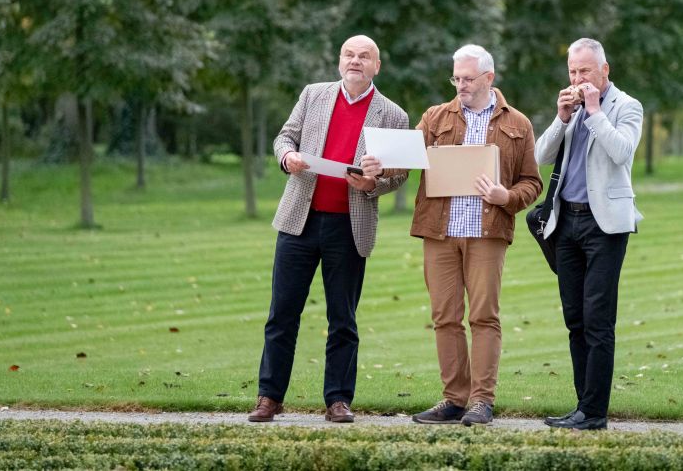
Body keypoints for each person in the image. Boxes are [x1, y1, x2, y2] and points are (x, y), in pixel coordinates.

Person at [248, 35, 409, 424]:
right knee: (282, 313)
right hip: (298, 221)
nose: (355, 61)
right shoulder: (313, 95)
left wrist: (374, 184)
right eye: (349, 55)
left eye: (364, 56)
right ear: (340, 61)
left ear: (377, 66)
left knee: (343, 318)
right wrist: (287, 156)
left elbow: (400, 174)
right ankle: (269, 397)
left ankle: (338, 399)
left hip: (350, 225)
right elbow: (285, 136)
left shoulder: (394, 115)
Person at [409, 44, 542, 426]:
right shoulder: (436, 117)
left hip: (487, 232)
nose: (461, 85)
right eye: (456, 78)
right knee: (444, 317)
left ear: (489, 78)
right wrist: (379, 165)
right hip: (441, 232)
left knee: (484, 316)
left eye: (468, 79)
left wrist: (507, 197)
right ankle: (454, 399)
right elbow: (407, 155)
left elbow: (532, 183)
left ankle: (481, 400)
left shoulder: (518, 124)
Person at [534, 37, 643, 431]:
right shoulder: (571, 110)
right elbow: (538, 156)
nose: (578, 78)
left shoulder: (626, 107)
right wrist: (562, 118)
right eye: (573, 72)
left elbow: (621, 152)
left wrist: (594, 111)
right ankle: (583, 406)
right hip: (566, 223)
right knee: (575, 319)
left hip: (605, 225)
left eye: (585, 71)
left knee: (598, 319)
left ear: (604, 70)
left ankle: (595, 412)